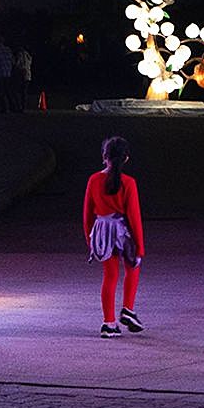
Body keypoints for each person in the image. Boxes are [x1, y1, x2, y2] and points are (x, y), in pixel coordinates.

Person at [84, 136, 145, 338]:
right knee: (133, 266)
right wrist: (140, 245)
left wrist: (90, 241)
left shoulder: (94, 180)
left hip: (101, 229)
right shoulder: (129, 183)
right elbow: (134, 216)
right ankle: (128, 308)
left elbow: (87, 214)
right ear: (125, 159)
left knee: (110, 276)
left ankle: (108, 322)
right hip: (122, 230)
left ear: (104, 157)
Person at [13, 47, 33, 113]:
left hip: (21, 74)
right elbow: (30, 63)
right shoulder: (28, 55)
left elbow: (17, 64)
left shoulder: (20, 54)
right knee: (24, 92)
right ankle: (23, 107)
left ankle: (18, 106)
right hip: (28, 74)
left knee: (16, 91)